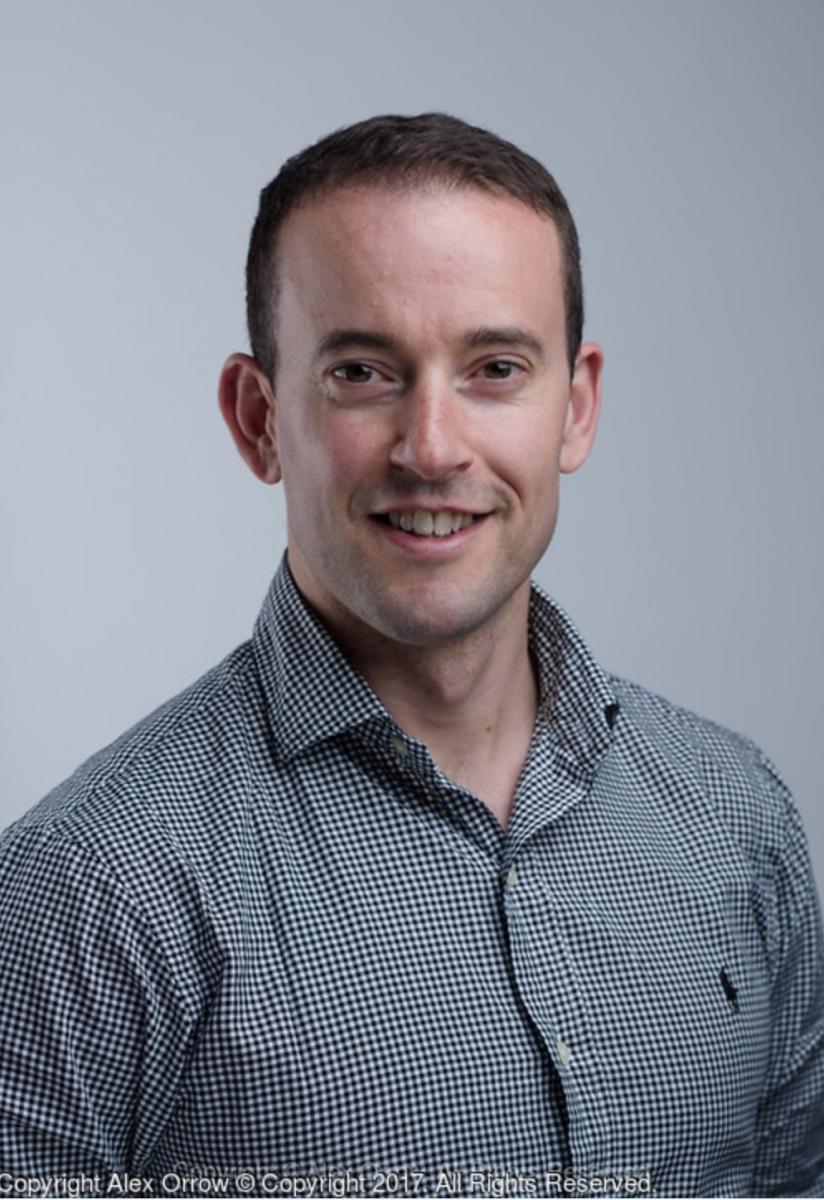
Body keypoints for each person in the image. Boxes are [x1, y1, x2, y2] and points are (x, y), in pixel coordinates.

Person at [1, 113, 822, 1200]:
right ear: (257, 419)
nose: (432, 448)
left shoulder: (737, 817)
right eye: (362, 372)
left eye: (494, 368)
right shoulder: (85, 888)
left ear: (575, 408)